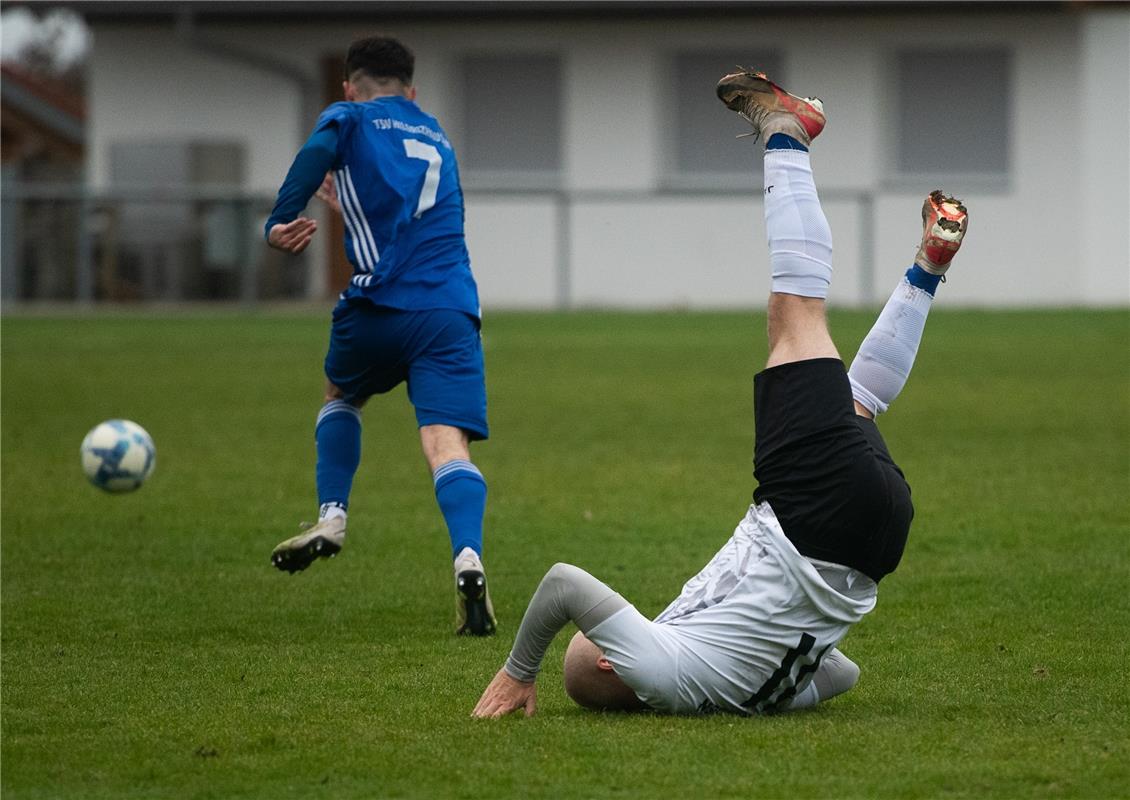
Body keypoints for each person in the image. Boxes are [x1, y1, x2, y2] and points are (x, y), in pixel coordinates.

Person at [473, 70, 969, 716]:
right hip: (807, 521)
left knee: (854, 404)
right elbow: (564, 585)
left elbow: (839, 671)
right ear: (611, 659)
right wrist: (520, 671)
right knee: (795, 316)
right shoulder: (665, 673)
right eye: (614, 637)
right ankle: (788, 136)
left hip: (874, 542)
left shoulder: (746, 693)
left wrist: (758, 636)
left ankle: (926, 270)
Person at [264, 35, 496, 636]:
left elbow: (319, 148)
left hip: (376, 308)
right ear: (411, 91)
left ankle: (333, 514)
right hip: (448, 309)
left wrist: (281, 218)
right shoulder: (437, 135)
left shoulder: (349, 115)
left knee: (340, 396)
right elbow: (416, 220)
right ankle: (467, 556)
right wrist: (350, 204)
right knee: (447, 444)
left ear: (349, 86)